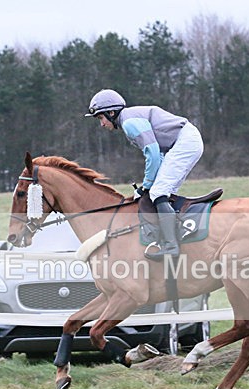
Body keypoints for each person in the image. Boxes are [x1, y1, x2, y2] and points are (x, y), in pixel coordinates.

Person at [85, 89, 204, 261]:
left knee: (157, 192)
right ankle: (175, 234)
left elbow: (153, 154)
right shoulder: (129, 119)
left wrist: (146, 186)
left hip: (185, 141)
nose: (102, 124)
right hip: (184, 141)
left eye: (101, 118)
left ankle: (171, 246)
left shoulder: (129, 123)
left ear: (111, 113)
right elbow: (158, 155)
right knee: (161, 192)